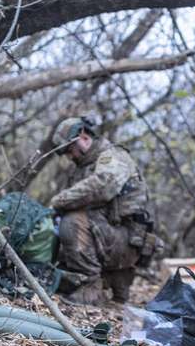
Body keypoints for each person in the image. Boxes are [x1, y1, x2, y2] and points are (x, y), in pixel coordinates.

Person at [50, 117, 161, 305]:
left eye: (70, 150)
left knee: (71, 223)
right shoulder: (83, 168)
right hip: (110, 236)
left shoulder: (113, 156)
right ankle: (109, 284)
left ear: (83, 137)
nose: (70, 156)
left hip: (126, 241)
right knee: (59, 228)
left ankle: (91, 287)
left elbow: (103, 185)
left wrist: (58, 201)